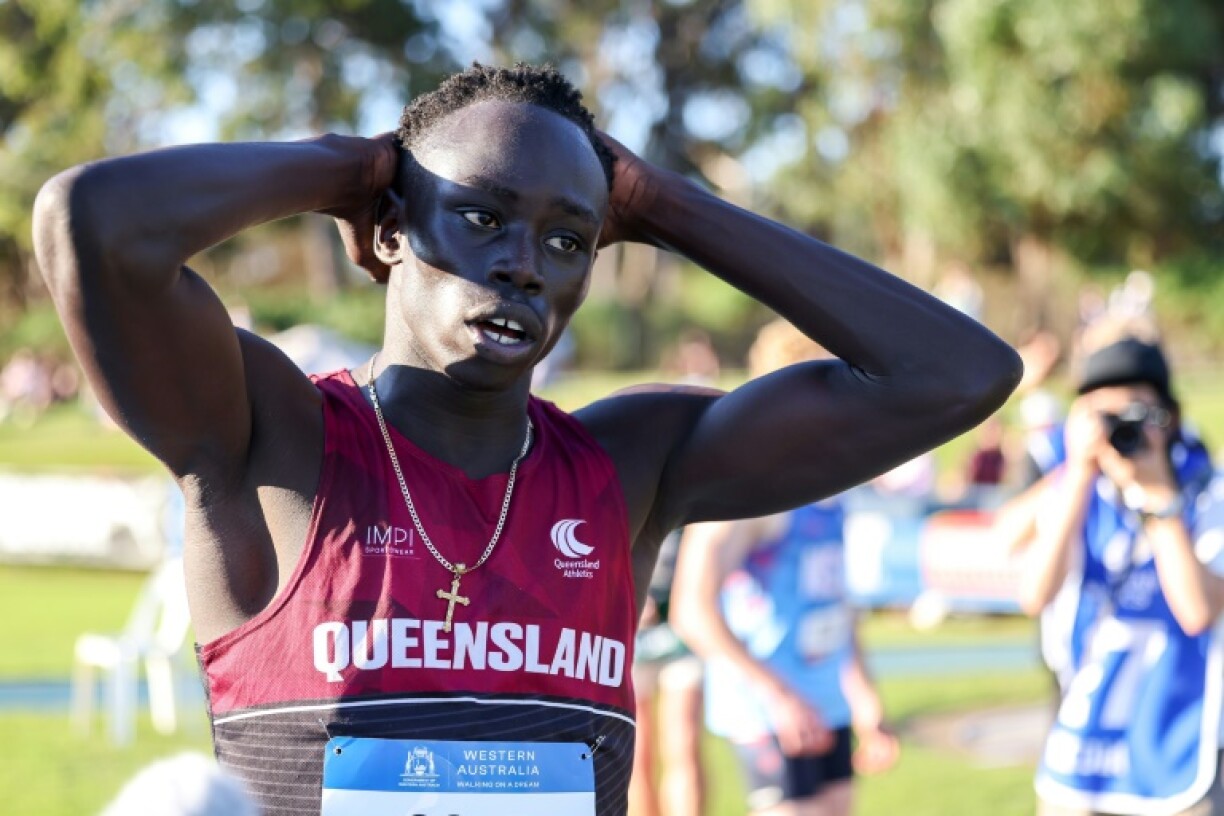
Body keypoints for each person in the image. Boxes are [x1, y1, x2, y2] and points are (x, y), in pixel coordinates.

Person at [33, 63, 1020, 816]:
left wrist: (667, 205)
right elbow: (94, 223)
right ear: (387, 234)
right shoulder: (274, 436)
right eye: (479, 216)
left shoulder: (629, 464)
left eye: (567, 238)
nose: (523, 267)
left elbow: (955, 374)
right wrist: (358, 167)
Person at [670, 319, 899, 816]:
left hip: (828, 704)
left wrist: (863, 696)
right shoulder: (750, 487)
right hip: (772, 714)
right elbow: (691, 610)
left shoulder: (834, 485)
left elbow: (836, 603)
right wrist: (777, 696)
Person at [1017, 336, 1224, 815]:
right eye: (1100, 417)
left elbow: (1198, 611)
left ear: (1167, 419)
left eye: (1131, 416)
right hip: (1080, 754)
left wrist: (1155, 494)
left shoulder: (1207, 494)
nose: (1116, 432)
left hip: (1178, 751)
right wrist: (1079, 475)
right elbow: (1033, 594)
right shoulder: (1074, 495)